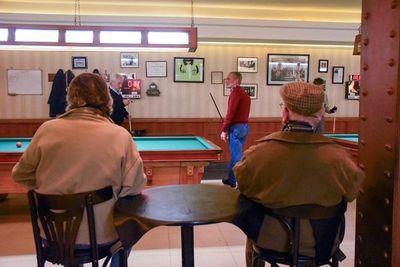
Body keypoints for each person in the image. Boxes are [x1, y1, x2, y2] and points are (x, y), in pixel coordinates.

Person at [11, 73, 147, 267]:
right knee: (130, 227)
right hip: (102, 238)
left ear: (71, 98)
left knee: (70, 238)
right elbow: (134, 187)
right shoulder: (120, 135)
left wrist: (49, 188)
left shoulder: (46, 130)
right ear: (107, 99)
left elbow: (20, 174)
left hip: (53, 237)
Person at [234, 82, 364, 267]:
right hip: (324, 242)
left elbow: (244, 188)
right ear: (320, 114)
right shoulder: (341, 158)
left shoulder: (258, 154)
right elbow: (352, 193)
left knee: (252, 224)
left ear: (285, 112)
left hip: (272, 240)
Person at [220, 71, 251, 188]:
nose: (226, 80)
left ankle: (243, 182)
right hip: (244, 128)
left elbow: (231, 113)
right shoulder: (244, 93)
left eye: (229, 78)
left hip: (236, 128)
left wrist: (224, 129)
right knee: (236, 155)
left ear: (236, 81)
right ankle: (231, 180)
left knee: (237, 157)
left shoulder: (236, 93)